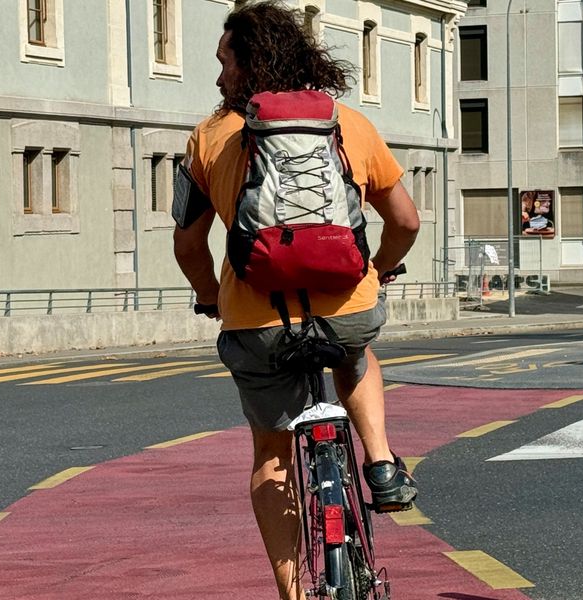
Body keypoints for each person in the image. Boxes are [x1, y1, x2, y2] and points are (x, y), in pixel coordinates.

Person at [172, 3, 420, 599]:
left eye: (225, 62)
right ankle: (381, 463)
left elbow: (187, 244)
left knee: (271, 455)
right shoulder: (348, 124)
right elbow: (406, 221)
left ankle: (294, 594)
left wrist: (209, 296)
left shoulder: (209, 138)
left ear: (251, 64)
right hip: (346, 308)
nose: (219, 77)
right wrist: (379, 270)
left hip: (257, 320)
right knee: (355, 353)